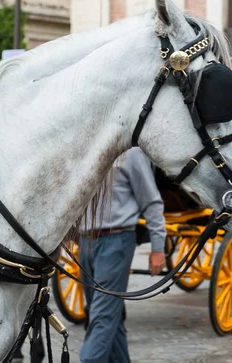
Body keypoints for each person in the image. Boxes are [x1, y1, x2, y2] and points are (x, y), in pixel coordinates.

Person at [78, 147, 167, 363]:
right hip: (85, 242)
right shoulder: (86, 148)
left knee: (102, 316)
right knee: (106, 315)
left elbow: (151, 201)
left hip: (115, 241)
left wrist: (158, 247)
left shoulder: (132, 155)